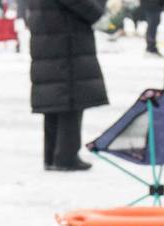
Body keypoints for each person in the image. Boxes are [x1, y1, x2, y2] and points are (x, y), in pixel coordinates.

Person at [28, 0, 107, 170]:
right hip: (67, 34)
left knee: (55, 97)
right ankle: (66, 156)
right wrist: (97, 13)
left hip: (49, 30)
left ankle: (51, 155)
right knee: (70, 97)